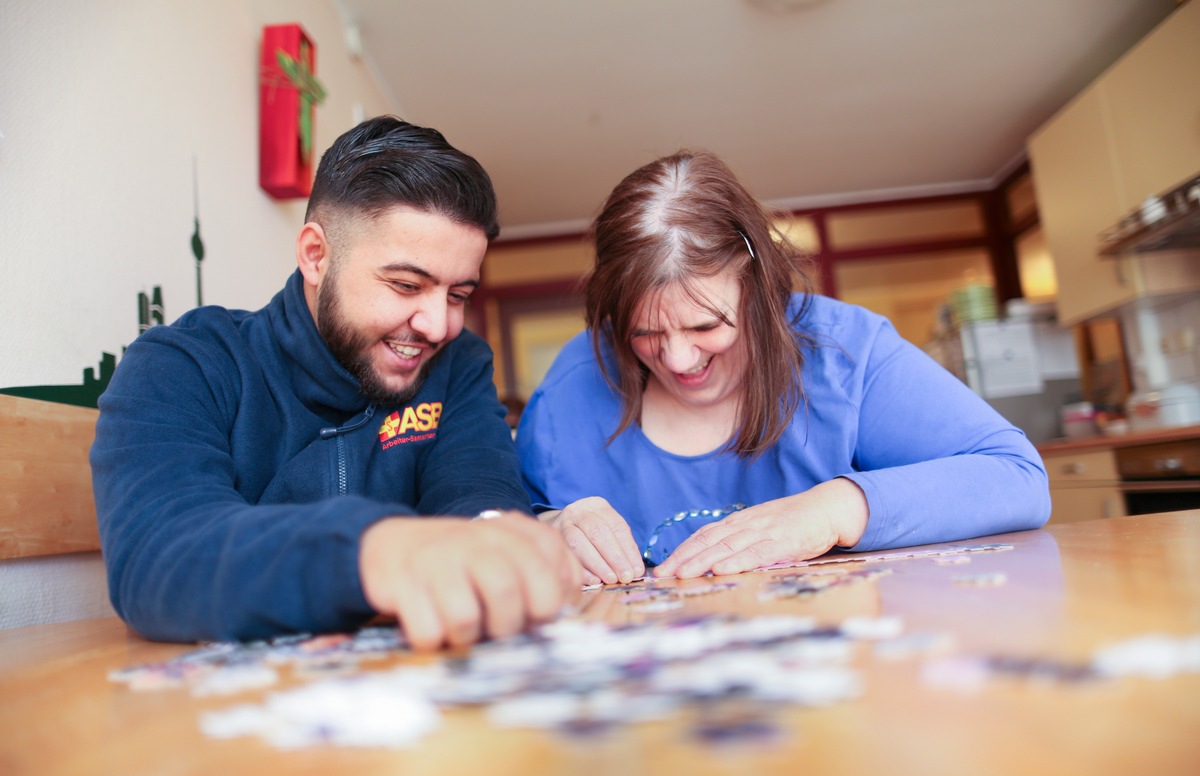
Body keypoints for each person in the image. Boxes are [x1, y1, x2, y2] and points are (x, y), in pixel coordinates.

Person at [91, 116, 580, 650]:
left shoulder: (458, 363)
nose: (439, 326)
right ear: (315, 256)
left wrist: (496, 534)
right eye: (405, 284)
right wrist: (375, 553)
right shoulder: (183, 365)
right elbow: (161, 556)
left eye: (458, 294)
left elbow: (477, 489)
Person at [516, 150, 1051, 586]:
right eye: (644, 333)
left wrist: (833, 510)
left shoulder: (846, 351)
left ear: (760, 293)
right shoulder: (573, 382)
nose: (678, 360)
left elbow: (1018, 479)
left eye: (707, 327)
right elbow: (493, 521)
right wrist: (548, 527)